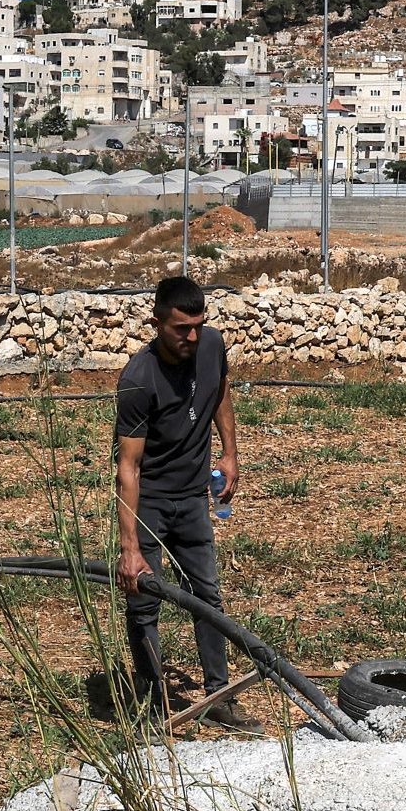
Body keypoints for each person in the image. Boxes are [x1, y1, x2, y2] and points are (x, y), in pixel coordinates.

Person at [114, 275, 256, 730]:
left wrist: (230, 453)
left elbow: (220, 390)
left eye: (198, 325)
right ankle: (153, 706)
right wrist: (130, 547)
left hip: (194, 498)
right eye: (180, 328)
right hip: (151, 502)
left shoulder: (211, 346)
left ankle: (219, 697)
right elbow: (128, 470)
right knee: (144, 601)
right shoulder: (138, 379)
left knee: (207, 598)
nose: (191, 337)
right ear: (156, 322)